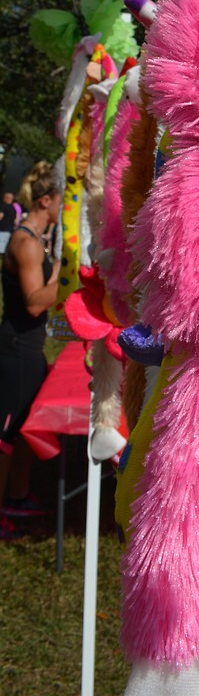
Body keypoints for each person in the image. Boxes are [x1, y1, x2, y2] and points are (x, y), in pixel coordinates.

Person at [0, 161, 61, 539]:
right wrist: (67, 276)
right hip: (16, 347)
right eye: (61, 200)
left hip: (31, 347)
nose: (64, 207)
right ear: (44, 201)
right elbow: (36, 302)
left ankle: (18, 497)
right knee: (5, 437)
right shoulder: (24, 242)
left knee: (24, 428)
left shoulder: (39, 239)